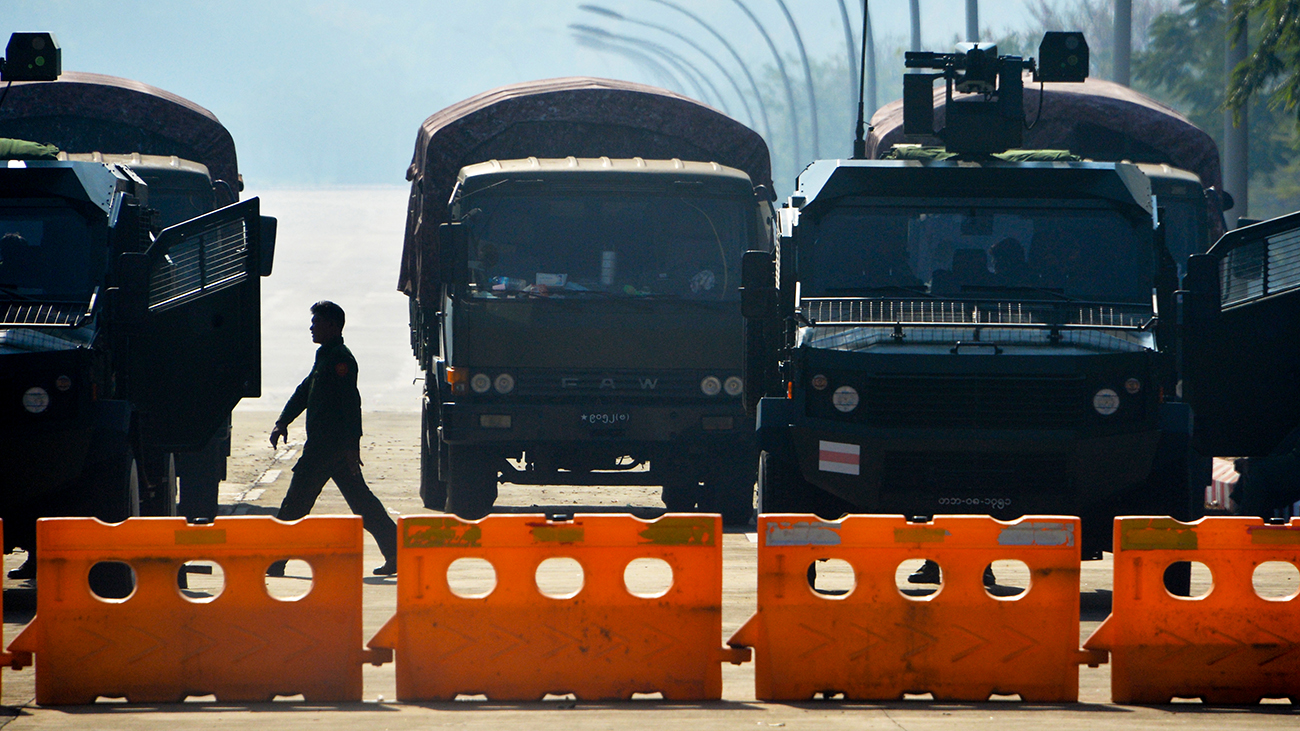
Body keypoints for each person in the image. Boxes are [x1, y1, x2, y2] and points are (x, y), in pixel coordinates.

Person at [269, 301, 397, 576]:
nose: (311, 327)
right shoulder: (325, 356)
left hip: (328, 447)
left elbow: (352, 404)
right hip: (330, 447)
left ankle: (275, 561)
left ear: (332, 326)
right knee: (363, 503)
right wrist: (283, 420)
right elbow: (305, 391)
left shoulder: (341, 359)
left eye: (316, 322)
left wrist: (353, 446)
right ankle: (397, 552)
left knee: (296, 502)